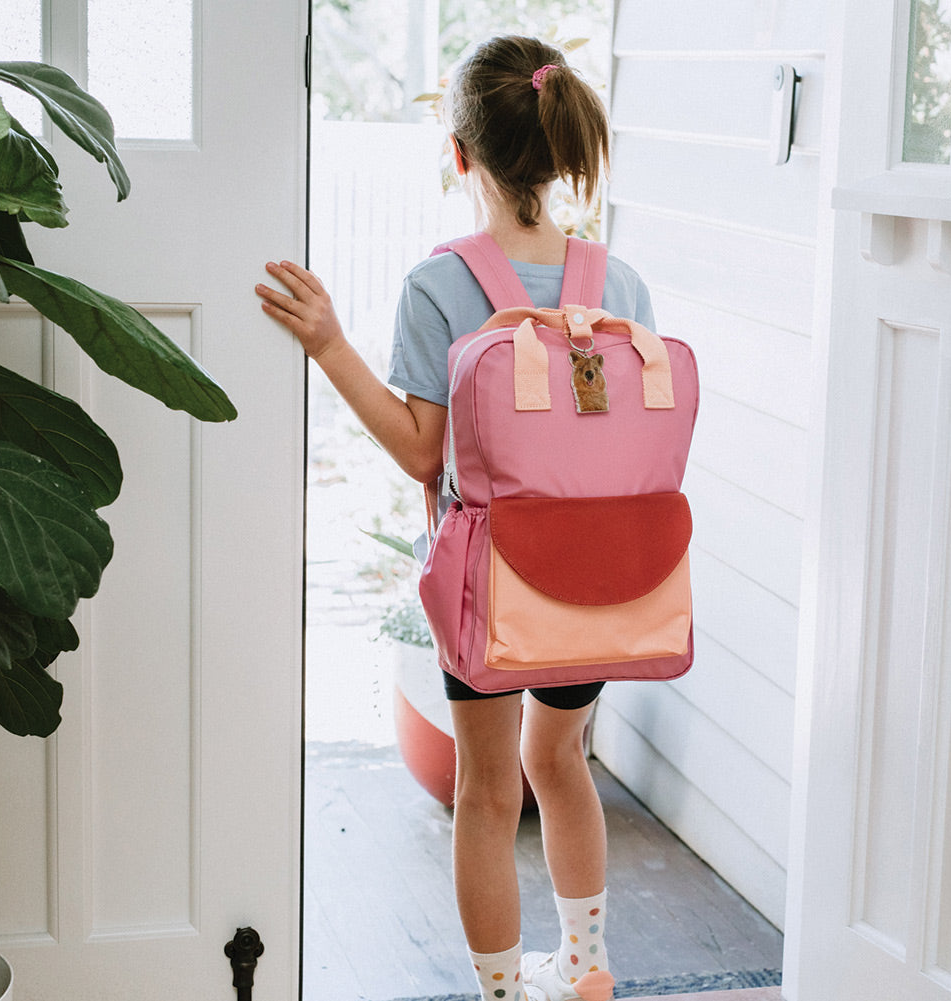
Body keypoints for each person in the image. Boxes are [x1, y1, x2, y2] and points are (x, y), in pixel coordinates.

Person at [254, 35, 654, 1001]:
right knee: (561, 763)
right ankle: (589, 968)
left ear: (461, 153)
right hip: (599, 581)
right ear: (560, 153)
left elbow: (423, 452)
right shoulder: (620, 284)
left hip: (493, 585)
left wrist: (330, 344)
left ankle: (506, 993)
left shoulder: (441, 288)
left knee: (486, 789)